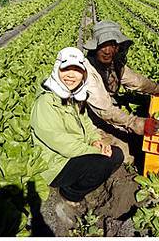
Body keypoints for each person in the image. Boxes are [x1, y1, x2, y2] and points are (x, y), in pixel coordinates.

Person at [30, 47, 124, 207]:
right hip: (55, 163)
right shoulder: (46, 102)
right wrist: (95, 151)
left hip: (75, 153)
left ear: (83, 74)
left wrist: (95, 141)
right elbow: (61, 142)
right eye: (66, 69)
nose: (71, 75)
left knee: (116, 155)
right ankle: (69, 194)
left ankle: (76, 185)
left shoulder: (74, 96)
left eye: (77, 70)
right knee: (101, 163)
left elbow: (86, 122)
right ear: (57, 69)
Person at [83, 20, 159, 144]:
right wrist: (138, 124)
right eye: (103, 45)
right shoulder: (87, 70)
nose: (107, 51)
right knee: (123, 152)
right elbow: (104, 110)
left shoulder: (113, 64)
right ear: (95, 47)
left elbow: (137, 81)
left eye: (112, 45)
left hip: (106, 108)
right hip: (88, 115)